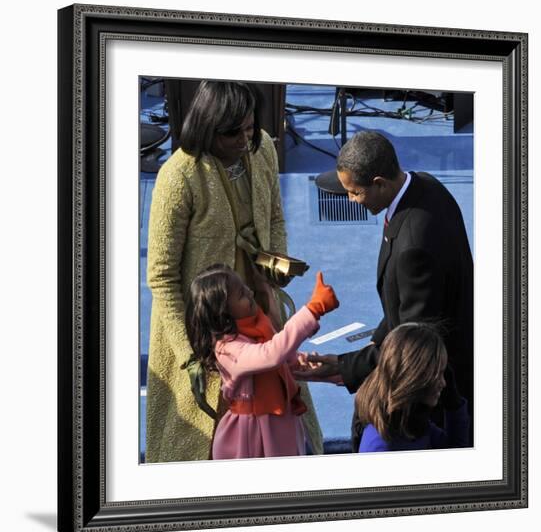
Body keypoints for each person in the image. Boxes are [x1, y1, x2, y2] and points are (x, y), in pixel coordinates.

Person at [145, 80, 323, 463]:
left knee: (276, 407)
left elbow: (274, 216)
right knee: (203, 441)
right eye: (233, 133)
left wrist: (274, 269)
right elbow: (161, 275)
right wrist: (191, 355)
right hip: (203, 326)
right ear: (208, 128)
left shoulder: (261, 150)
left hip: (256, 307)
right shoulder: (178, 177)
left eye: (249, 127)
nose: (245, 139)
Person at [295, 130, 473, 449]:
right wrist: (347, 361)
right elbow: (400, 312)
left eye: (354, 193)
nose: (350, 200)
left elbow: (412, 343)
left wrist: (343, 368)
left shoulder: (413, 248)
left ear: (379, 183)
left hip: (435, 398)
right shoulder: (426, 186)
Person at [185, 265, 339, 459]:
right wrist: (313, 309)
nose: (249, 292)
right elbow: (271, 354)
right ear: (223, 313)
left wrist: (305, 363)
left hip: (281, 423)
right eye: (241, 294)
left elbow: (280, 358)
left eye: (245, 287)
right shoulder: (227, 350)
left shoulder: (256, 326)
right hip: (252, 436)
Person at [356, 322, 469, 452]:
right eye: (436, 375)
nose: (444, 383)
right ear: (414, 377)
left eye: (444, 373)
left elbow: (456, 454)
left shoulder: (411, 423)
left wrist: (454, 404)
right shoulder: (380, 447)